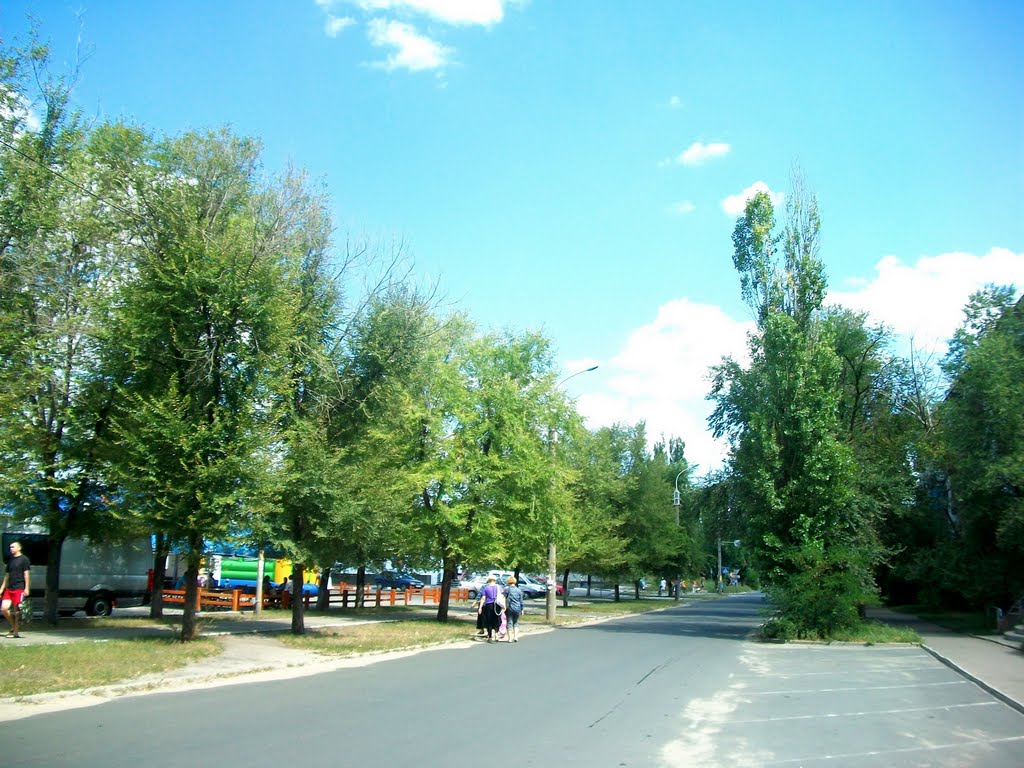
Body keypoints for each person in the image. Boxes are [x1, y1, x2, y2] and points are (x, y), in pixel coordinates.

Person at [1, 541, 31, 638]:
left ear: (19, 548)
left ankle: (16, 632)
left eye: (13, 547)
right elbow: (7, 575)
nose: (11, 549)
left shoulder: (24, 559)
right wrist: (1, 589)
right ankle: (13, 627)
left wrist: (26, 588)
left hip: (19, 587)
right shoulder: (10, 560)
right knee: (4, 609)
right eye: (10, 547)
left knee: (17, 611)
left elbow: (26, 574)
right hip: (9, 588)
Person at [477, 575, 503, 642]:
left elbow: (483, 598)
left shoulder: (486, 588)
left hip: (488, 605)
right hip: (497, 605)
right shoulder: (499, 587)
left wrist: (480, 608)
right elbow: (502, 597)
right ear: (495, 580)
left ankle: (490, 637)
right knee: (497, 619)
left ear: (488, 580)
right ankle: (496, 635)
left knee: (489, 621)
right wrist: (504, 606)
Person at [503, 576, 524, 643]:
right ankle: (516, 637)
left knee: (509, 622)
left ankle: (509, 639)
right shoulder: (519, 590)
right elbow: (521, 601)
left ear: (508, 582)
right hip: (517, 608)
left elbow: (503, 597)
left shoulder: (507, 590)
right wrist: (522, 609)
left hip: (509, 608)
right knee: (516, 623)